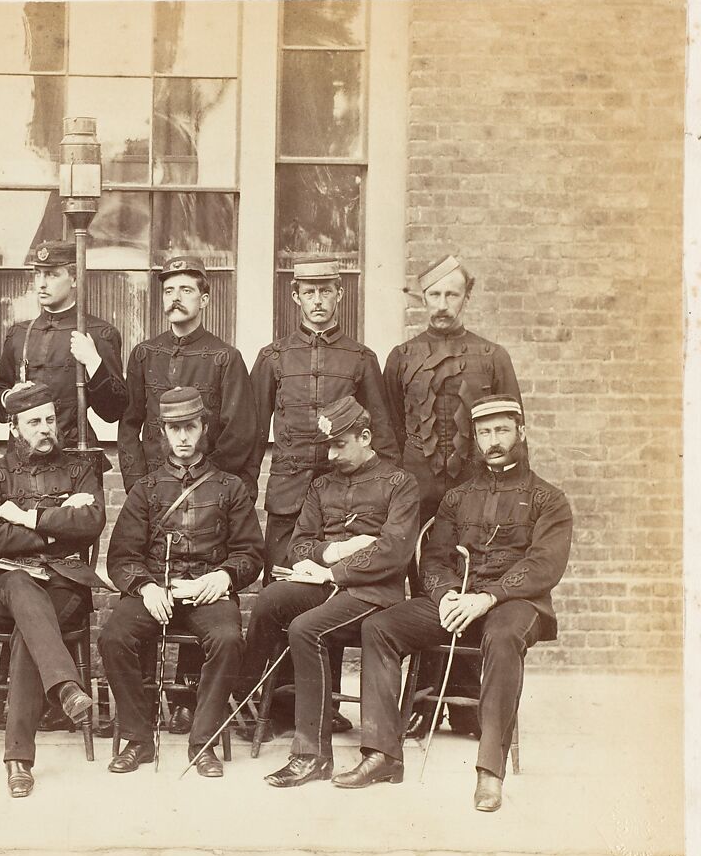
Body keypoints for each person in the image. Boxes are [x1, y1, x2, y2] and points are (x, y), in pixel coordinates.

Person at [334, 395, 572, 812]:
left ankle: (489, 774)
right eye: (484, 432)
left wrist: (487, 597)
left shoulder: (549, 500)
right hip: (458, 598)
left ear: (521, 432)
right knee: (380, 627)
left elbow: (544, 565)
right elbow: (436, 557)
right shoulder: (457, 498)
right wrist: (444, 595)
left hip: (516, 603)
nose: (493, 440)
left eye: (502, 430)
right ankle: (382, 754)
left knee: (501, 638)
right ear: (475, 439)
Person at [249, 257, 399, 733]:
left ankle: (323, 708)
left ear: (340, 295)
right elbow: (252, 435)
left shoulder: (360, 359)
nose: (317, 301)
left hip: (344, 503)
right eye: (308, 293)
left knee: (329, 599)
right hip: (289, 500)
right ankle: (271, 707)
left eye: (326, 292)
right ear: (295, 297)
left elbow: (384, 438)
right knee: (282, 596)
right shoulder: (272, 358)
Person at [241, 396, 420, 788]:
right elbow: (299, 544)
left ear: (366, 437)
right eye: (329, 446)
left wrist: (333, 572)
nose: (332, 454)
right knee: (272, 598)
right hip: (327, 583)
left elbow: (393, 550)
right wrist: (338, 550)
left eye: (340, 444)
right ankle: (249, 699)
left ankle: (312, 756)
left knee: (305, 629)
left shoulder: (400, 484)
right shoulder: (322, 485)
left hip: (374, 594)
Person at [382, 254, 523, 736]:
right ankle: (422, 701)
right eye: (434, 295)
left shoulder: (492, 356)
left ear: (467, 296)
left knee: (471, 582)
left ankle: (464, 703)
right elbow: (390, 429)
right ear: (422, 298)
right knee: (424, 590)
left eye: (452, 294)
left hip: (475, 494)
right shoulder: (400, 357)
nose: (442, 304)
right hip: (416, 494)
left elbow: (512, 429)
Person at [100, 387, 265, 778]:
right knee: (113, 637)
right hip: (157, 592)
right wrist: (146, 587)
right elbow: (122, 556)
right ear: (162, 433)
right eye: (175, 429)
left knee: (228, 640)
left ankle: (203, 741)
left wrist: (223, 575)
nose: (184, 437)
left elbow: (251, 553)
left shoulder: (230, 487)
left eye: (191, 426)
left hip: (208, 594)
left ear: (204, 427)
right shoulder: (147, 488)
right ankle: (138, 739)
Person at [0, 382, 107, 798]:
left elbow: (90, 524)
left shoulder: (81, 468)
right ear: (13, 428)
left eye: (50, 419)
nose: (46, 429)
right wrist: (55, 527)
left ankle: (18, 760)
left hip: (65, 581)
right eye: (34, 422)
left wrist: (27, 519)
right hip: (5, 584)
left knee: (29, 631)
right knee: (22, 586)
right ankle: (65, 686)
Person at [0, 239, 128, 455]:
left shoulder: (99, 333)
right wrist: (9, 397)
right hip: (22, 459)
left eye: (52, 274)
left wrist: (94, 362)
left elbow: (113, 411)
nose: (41, 284)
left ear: (75, 278)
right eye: (38, 274)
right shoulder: (18, 334)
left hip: (74, 457)